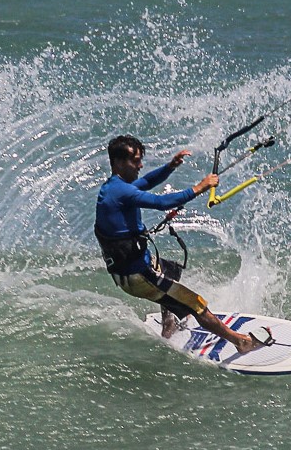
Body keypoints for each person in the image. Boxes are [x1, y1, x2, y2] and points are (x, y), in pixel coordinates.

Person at [94, 135, 262, 354]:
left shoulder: (115, 187)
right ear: (117, 162)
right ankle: (241, 343)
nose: (140, 165)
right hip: (137, 276)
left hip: (132, 268)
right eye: (135, 160)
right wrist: (200, 187)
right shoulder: (121, 192)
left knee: (171, 270)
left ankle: (169, 324)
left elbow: (146, 182)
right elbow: (161, 202)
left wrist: (169, 167)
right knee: (196, 304)